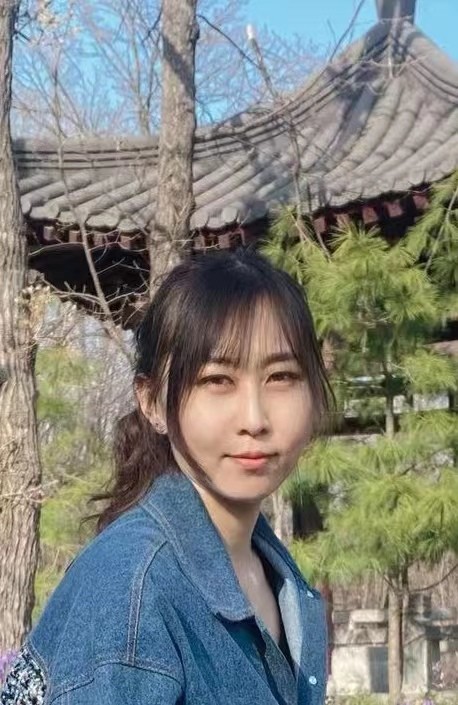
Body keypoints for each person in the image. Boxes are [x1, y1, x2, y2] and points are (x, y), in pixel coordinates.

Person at [1, 247, 333, 705]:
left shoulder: (273, 573)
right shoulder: (132, 588)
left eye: (280, 376)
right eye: (217, 380)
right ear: (153, 401)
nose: (255, 419)